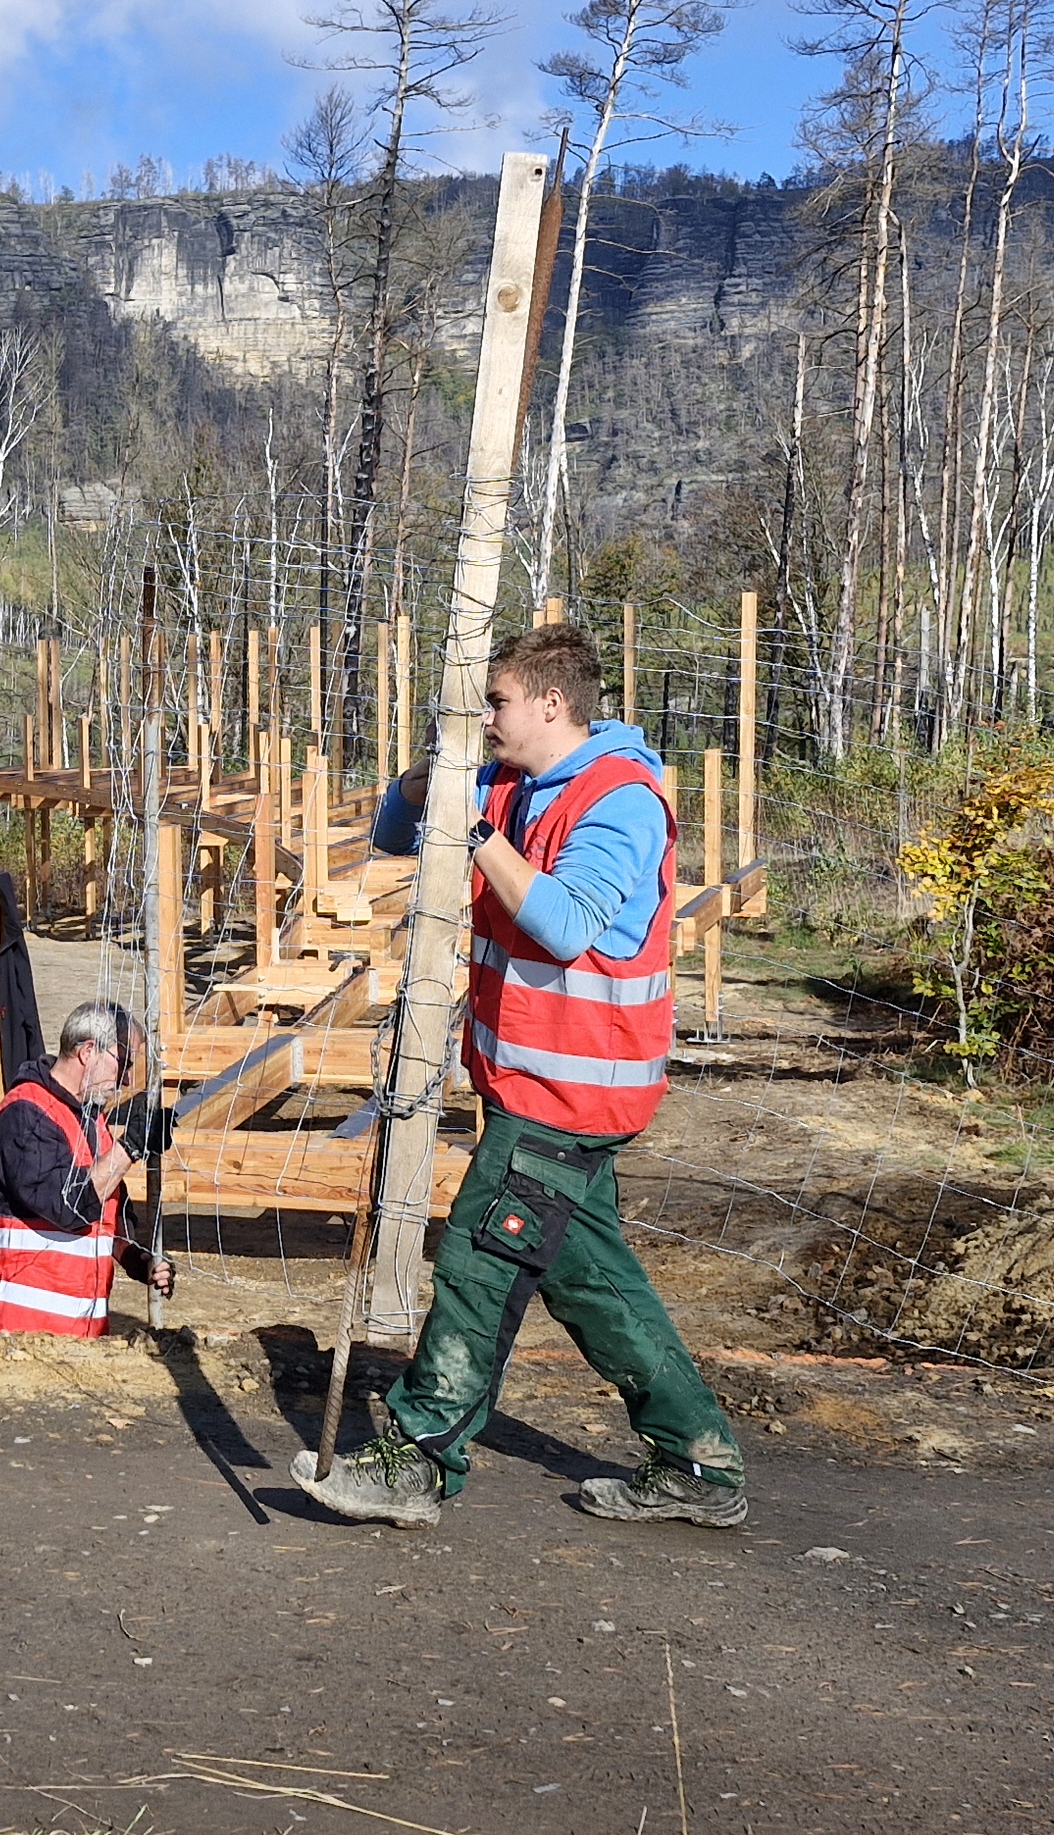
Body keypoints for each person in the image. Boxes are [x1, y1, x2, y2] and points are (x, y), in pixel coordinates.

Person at [290, 621, 749, 1530]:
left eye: (495, 703)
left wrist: (479, 832)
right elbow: (393, 832)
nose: (485, 718)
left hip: (576, 1091)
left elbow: (569, 924)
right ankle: (700, 1464)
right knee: (588, 1280)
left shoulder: (620, 799)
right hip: (530, 1081)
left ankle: (415, 1460)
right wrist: (437, 774)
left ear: (550, 702)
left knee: (479, 1258)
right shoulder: (511, 779)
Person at [0, 1000, 175, 1336]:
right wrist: (130, 1148)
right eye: (123, 1063)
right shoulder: (26, 1116)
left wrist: (139, 1260)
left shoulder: (89, 1119)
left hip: (80, 1331)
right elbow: (66, 1206)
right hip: (21, 1333)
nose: (124, 1081)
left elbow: (107, 1214)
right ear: (88, 1051)